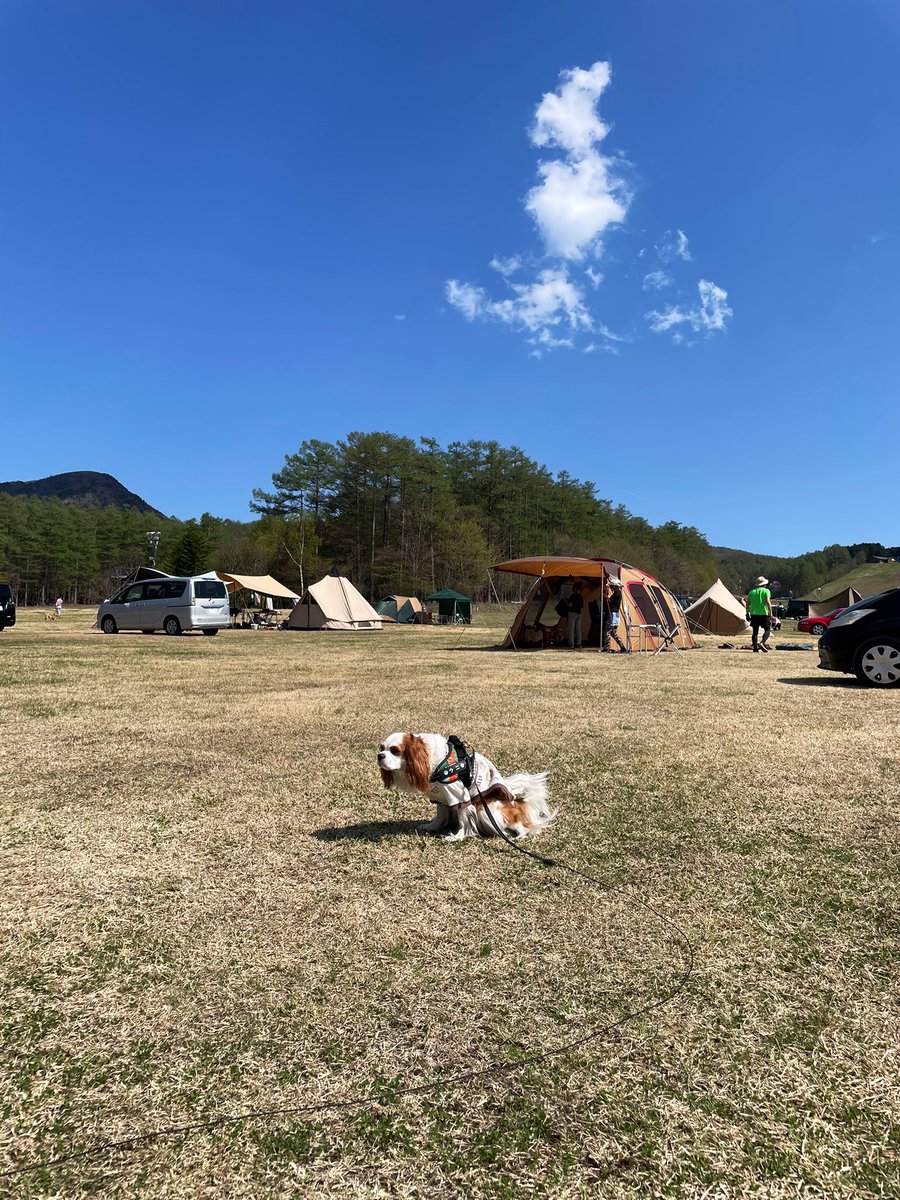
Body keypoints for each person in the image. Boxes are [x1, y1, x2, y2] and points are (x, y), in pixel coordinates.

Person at [600, 577, 629, 653]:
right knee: (613, 633)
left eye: (611, 586)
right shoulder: (618, 593)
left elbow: (609, 601)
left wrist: (605, 595)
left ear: (614, 586)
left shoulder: (616, 593)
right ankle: (623, 648)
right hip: (615, 615)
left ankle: (606, 648)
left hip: (612, 614)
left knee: (607, 630)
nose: (611, 588)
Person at [746, 575, 773, 652]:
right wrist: (770, 613)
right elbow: (768, 602)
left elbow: (748, 603)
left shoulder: (751, 592)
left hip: (754, 614)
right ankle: (762, 642)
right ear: (764, 584)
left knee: (755, 632)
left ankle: (755, 648)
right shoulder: (766, 591)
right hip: (764, 613)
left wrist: (747, 613)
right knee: (767, 629)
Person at [566, 581, 584, 649]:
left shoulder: (573, 595)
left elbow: (570, 605)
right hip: (578, 613)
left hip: (572, 613)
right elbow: (581, 606)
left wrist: (565, 601)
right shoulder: (581, 596)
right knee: (578, 629)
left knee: (571, 629)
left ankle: (571, 644)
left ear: (575, 588)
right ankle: (579, 643)